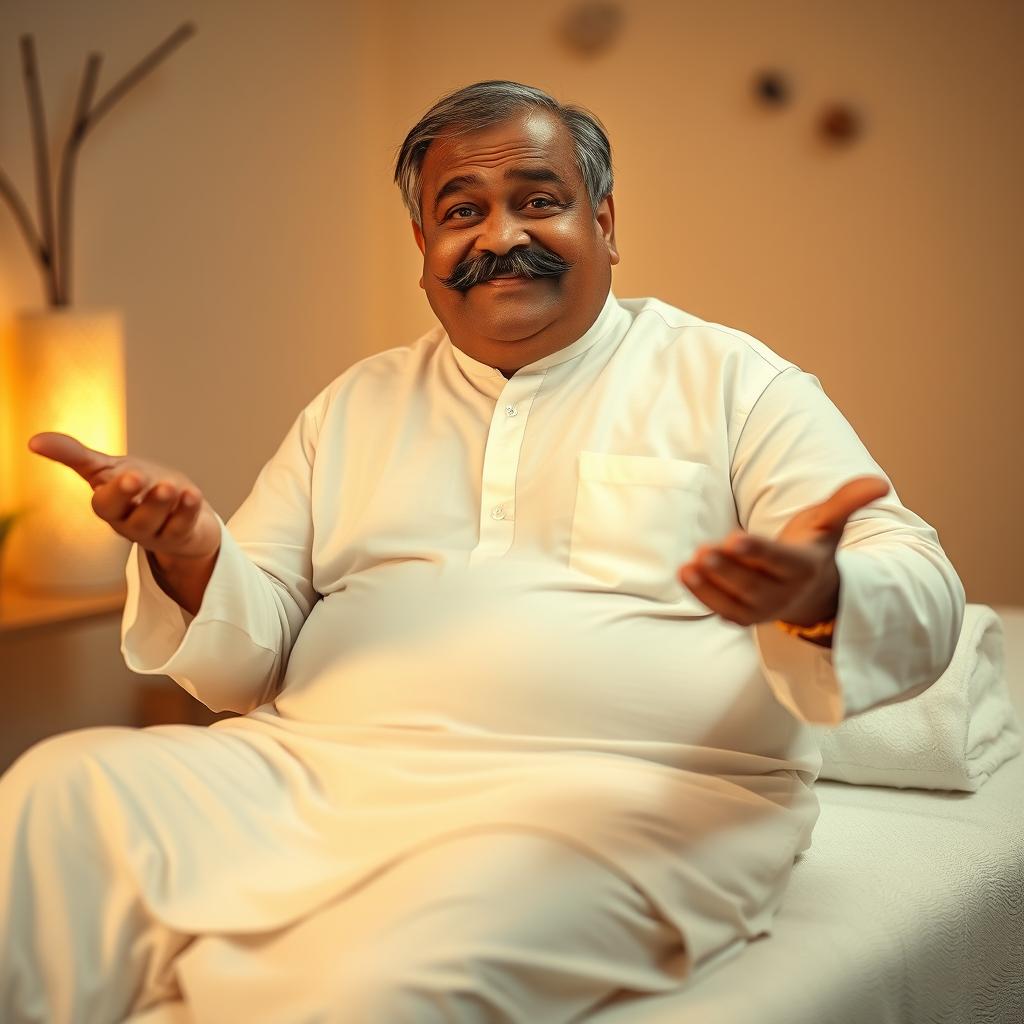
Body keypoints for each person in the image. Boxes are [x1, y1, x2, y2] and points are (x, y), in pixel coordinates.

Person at [0, 80, 965, 1024]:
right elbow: (244, 666)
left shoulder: (732, 381)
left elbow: (918, 578)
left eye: (538, 201)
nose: (500, 236)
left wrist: (822, 590)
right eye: (462, 211)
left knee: (380, 979)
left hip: (614, 800)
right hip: (312, 772)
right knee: (62, 787)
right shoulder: (357, 404)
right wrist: (191, 555)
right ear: (423, 247)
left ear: (607, 222)